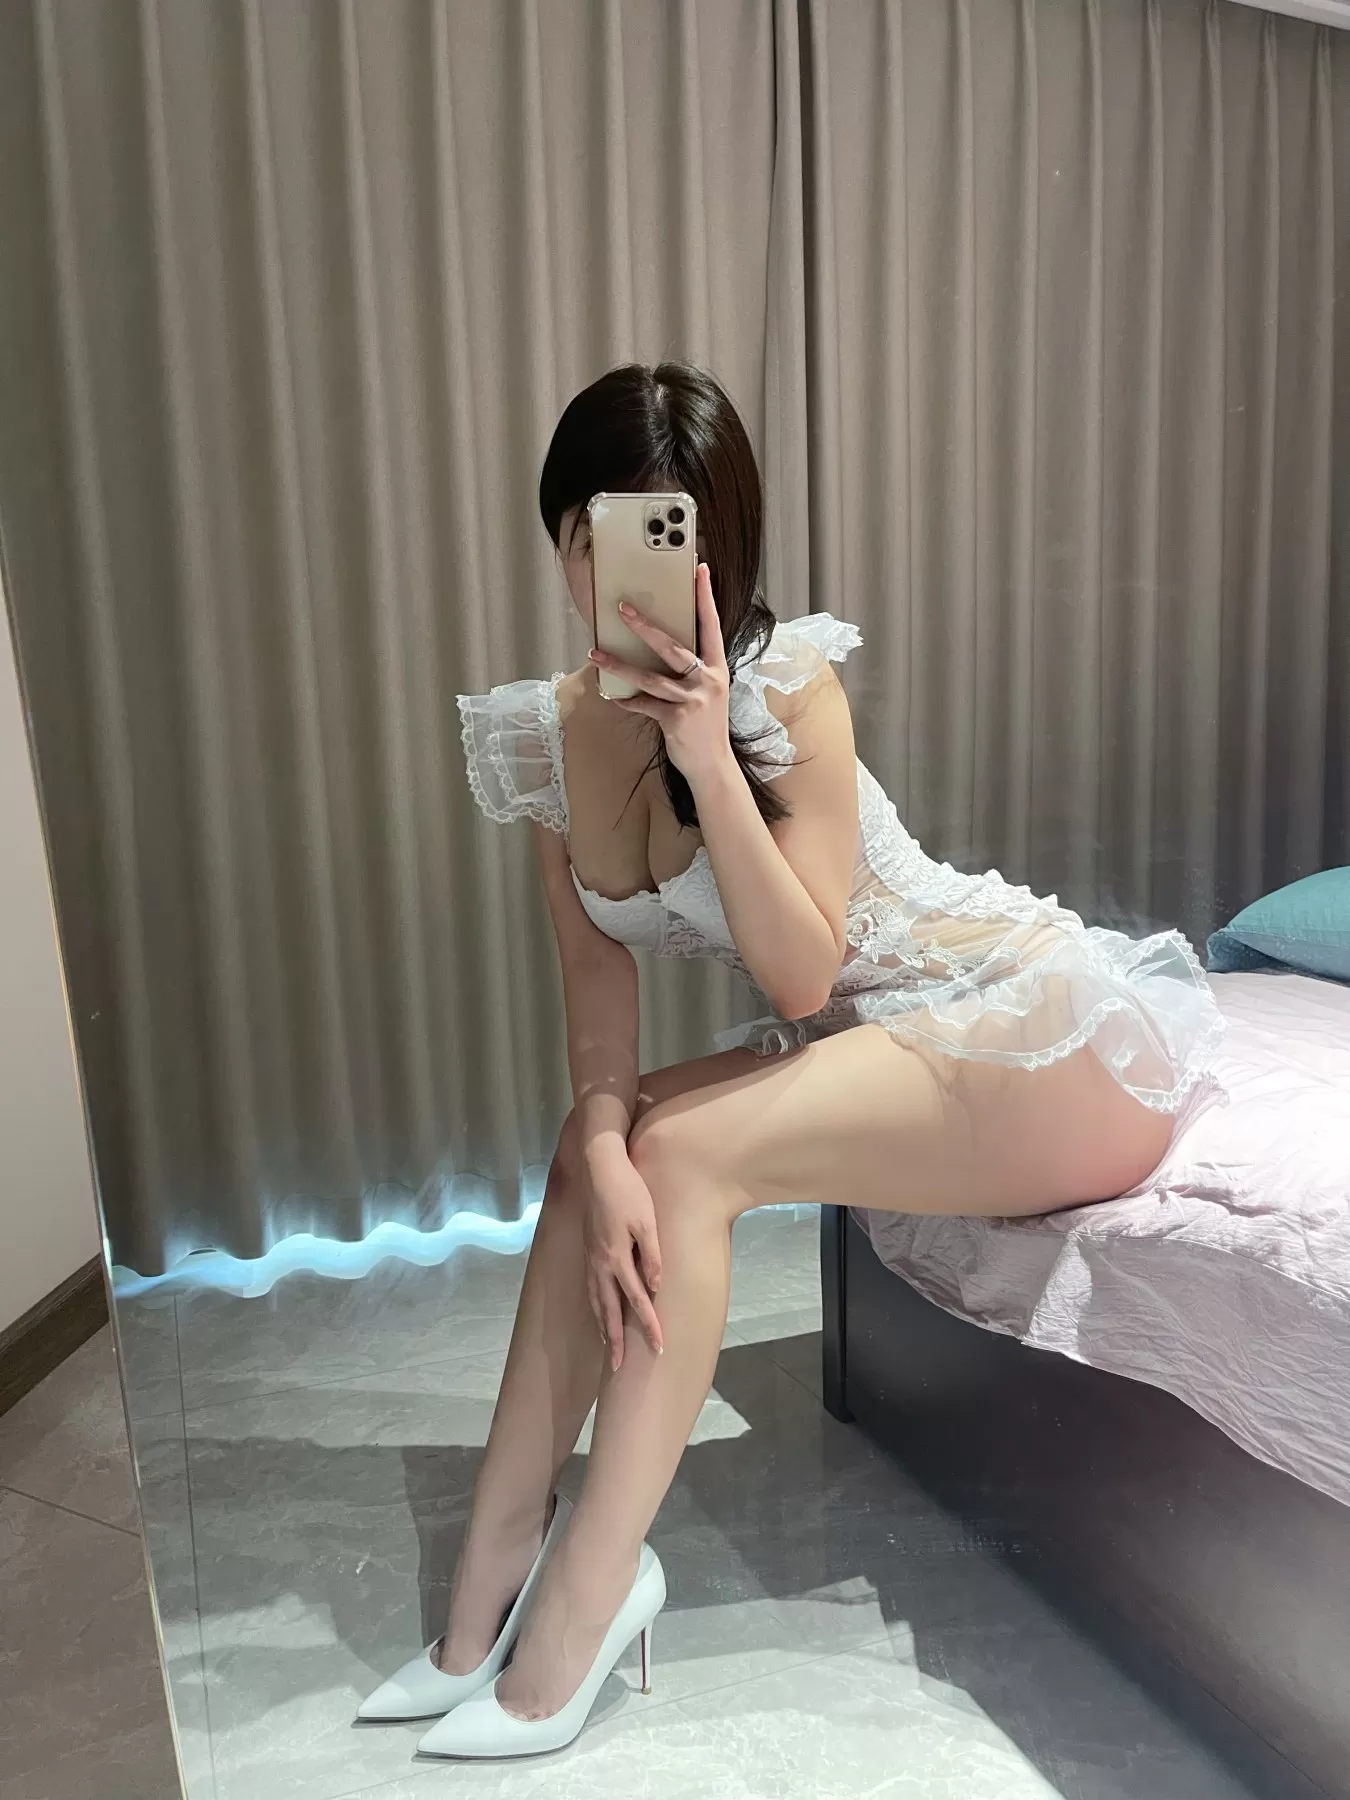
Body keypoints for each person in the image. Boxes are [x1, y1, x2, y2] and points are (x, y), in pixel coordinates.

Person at [359, 361, 1225, 1758]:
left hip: (1038, 1030)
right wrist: (598, 1143)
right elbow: (596, 990)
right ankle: (487, 1592)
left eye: (657, 541)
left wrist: (708, 757)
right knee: (605, 1153)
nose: (611, 580)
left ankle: (584, 1608)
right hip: (891, 1047)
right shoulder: (549, 734)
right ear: (561, 538)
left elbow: (803, 974)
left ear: (717, 551)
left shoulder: (786, 692)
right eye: (587, 538)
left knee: (683, 1157)